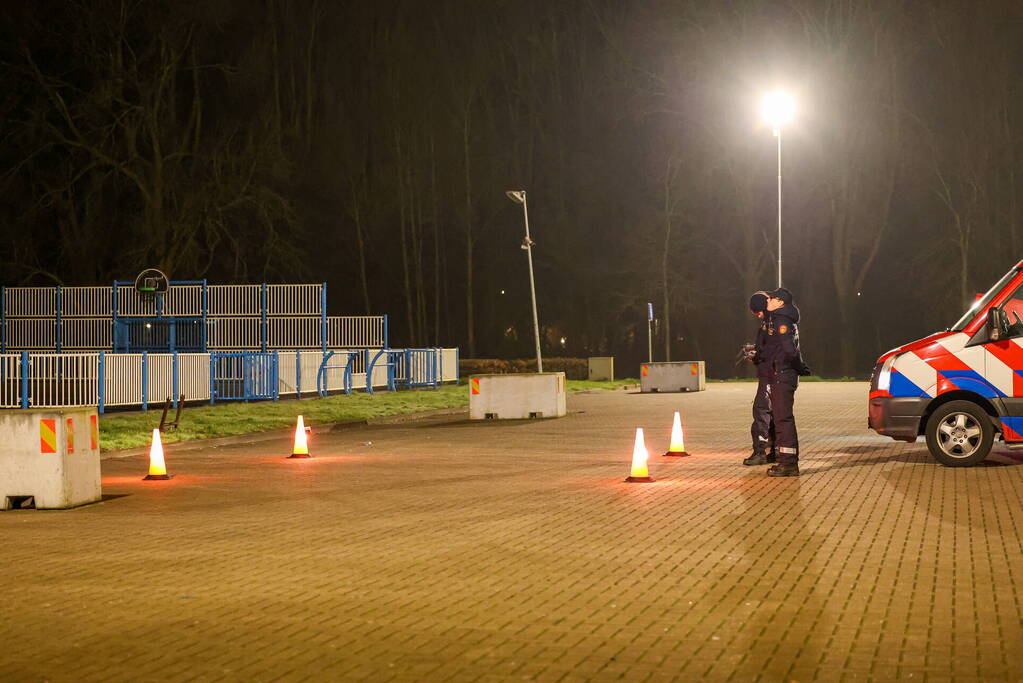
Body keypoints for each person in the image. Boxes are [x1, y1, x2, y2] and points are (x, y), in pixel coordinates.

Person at [759, 287, 803, 477]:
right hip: (781, 374)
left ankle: (789, 464)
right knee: (781, 418)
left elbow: (789, 350)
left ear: (780, 302)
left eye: (771, 298)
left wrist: (783, 366)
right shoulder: (779, 319)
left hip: (783, 375)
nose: (767, 300)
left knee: (783, 419)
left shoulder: (782, 321)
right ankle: (786, 461)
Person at [743, 291, 778, 466]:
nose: (757, 315)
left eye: (757, 312)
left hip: (771, 374)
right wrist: (756, 349)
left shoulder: (772, 323)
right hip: (776, 374)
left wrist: (756, 356)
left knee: (761, 410)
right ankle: (775, 451)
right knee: (774, 412)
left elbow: (773, 350)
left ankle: (760, 452)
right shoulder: (774, 320)